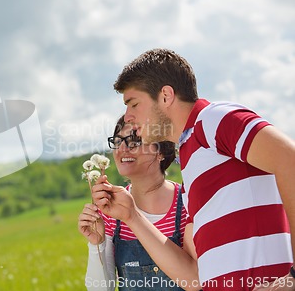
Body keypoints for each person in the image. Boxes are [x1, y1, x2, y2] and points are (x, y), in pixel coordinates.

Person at [92, 48, 295, 291]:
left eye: (134, 104)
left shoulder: (213, 119)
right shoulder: (190, 159)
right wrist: (131, 216)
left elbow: (289, 159)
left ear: (165, 96)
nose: (128, 116)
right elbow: (192, 277)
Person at [78, 115, 194, 290]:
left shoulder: (188, 203)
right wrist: (98, 244)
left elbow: (196, 280)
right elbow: (100, 288)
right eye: (117, 141)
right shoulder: (110, 210)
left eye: (134, 141)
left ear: (161, 151)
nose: (122, 149)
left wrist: (132, 216)